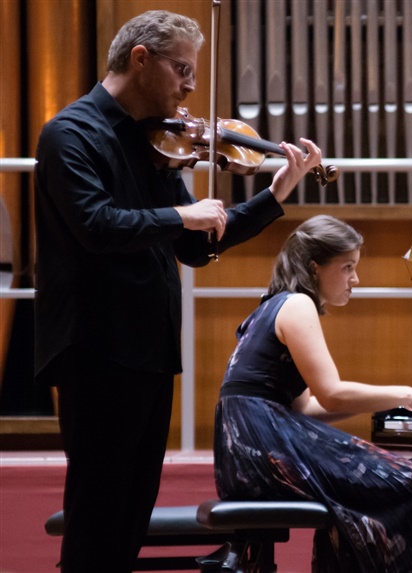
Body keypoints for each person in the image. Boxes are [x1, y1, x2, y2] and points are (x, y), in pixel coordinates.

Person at [33, 10, 324, 572]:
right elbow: (96, 226)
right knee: (96, 516)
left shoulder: (155, 141)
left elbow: (194, 244)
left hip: (148, 351)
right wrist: (181, 214)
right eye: (182, 69)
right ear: (141, 59)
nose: (191, 86)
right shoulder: (70, 134)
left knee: (129, 518)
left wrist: (274, 196)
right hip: (95, 351)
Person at [212, 214, 412, 572]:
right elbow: (332, 394)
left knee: (365, 496)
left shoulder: (271, 306)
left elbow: (305, 408)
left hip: (244, 453)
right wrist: (406, 395)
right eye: (347, 267)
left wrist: (376, 405)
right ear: (314, 267)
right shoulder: (297, 304)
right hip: (262, 449)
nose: (356, 279)